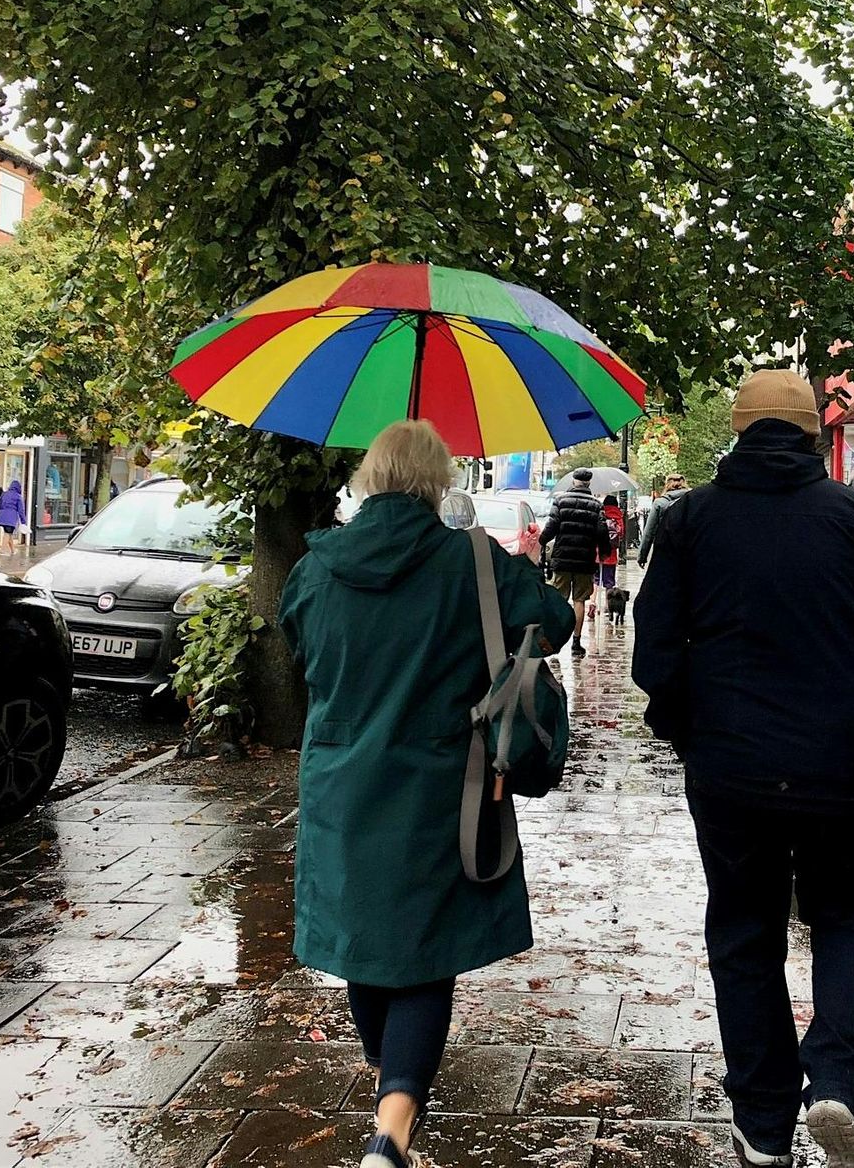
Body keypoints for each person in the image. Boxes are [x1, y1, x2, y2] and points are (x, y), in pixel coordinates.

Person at [632, 369, 854, 1168]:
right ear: (813, 435)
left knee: (744, 932)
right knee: (850, 915)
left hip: (730, 766)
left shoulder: (690, 521)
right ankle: (838, 1081)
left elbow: (654, 651)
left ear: (735, 429)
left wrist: (684, 727)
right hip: (841, 764)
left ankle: (763, 1126)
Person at [279, 421, 574, 1168]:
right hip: (443, 789)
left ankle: (388, 1085)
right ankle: (394, 1126)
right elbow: (558, 620)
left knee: (365, 945)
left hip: (341, 786)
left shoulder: (316, 568)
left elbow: (300, 645)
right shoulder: (470, 561)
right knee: (422, 952)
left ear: (370, 479)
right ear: (439, 484)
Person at [539, 467, 610, 657]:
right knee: (580, 600)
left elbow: (551, 526)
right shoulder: (596, 505)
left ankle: (555, 640)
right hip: (584, 560)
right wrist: (604, 551)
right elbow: (602, 532)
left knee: (559, 599)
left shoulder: (561, 501)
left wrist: (541, 541)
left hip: (562, 558)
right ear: (588, 484)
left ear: (574, 482)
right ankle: (576, 643)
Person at [637, 473, 690, 568]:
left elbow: (649, 532)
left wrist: (642, 556)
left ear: (667, 485)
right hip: (689, 549)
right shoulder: (694, 500)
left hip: (665, 549)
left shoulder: (660, 503)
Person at [596, 493, 625, 606]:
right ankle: (608, 605)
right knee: (609, 581)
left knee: (595, 580)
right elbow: (621, 534)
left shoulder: (600, 513)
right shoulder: (618, 516)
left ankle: (593, 603)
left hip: (597, 552)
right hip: (610, 554)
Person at [0, 478, 26, 554]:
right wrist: (23, 521)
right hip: (11, 517)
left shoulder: (4, 494)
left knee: (9, 533)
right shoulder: (18, 496)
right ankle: (2, 549)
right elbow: (21, 510)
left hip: (2, 516)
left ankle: (12, 550)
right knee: (7, 533)